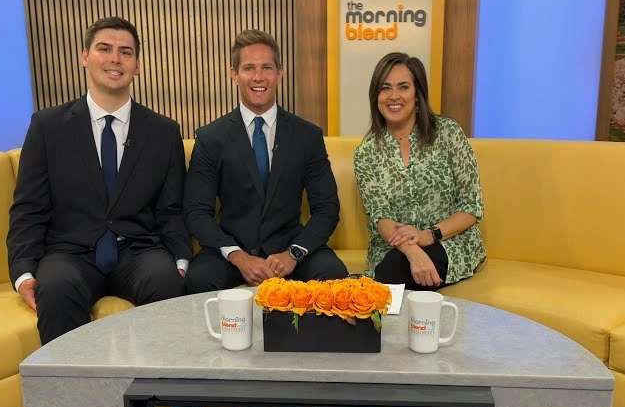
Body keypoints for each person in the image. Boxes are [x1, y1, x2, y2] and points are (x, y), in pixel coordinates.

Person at [7, 16, 191, 344]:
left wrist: (179, 259)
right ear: (85, 57)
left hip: (138, 251)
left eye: (126, 52)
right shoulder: (48, 127)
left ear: (137, 65)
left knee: (168, 284)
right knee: (57, 288)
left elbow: (171, 209)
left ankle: (162, 396)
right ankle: (72, 397)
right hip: (70, 253)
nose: (115, 59)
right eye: (104, 49)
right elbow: (28, 209)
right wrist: (23, 272)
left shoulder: (163, 132)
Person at [183, 29, 348, 292]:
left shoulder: (307, 136)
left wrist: (294, 253)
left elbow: (327, 208)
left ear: (279, 74)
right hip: (232, 251)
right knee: (199, 279)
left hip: (289, 247)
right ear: (233, 74)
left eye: (267, 68)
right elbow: (195, 212)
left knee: (333, 274)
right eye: (248, 68)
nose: (258, 77)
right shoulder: (210, 138)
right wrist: (239, 256)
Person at [352, 52, 485, 291]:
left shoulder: (448, 133)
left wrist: (426, 237)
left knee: (391, 277)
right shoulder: (366, 152)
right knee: (392, 269)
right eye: (385, 88)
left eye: (403, 87)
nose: (394, 96)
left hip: (450, 242)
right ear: (376, 96)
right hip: (394, 249)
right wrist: (413, 252)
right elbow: (381, 217)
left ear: (418, 94)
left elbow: (471, 208)